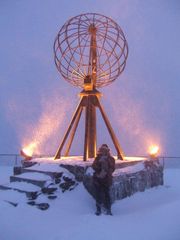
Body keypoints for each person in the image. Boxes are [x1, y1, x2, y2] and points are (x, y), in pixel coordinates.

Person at [92, 144, 115, 215]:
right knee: (99, 194)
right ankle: (99, 209)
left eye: (105, 150)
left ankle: (108, 209)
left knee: (106, 194)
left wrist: (106, 171)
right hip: (99, 179)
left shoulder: (111, 159)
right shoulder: (98, 158)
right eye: (103, 150)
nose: (104, 151)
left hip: (105, 179)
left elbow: (112, 168)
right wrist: (99, 165)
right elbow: (94, 166)